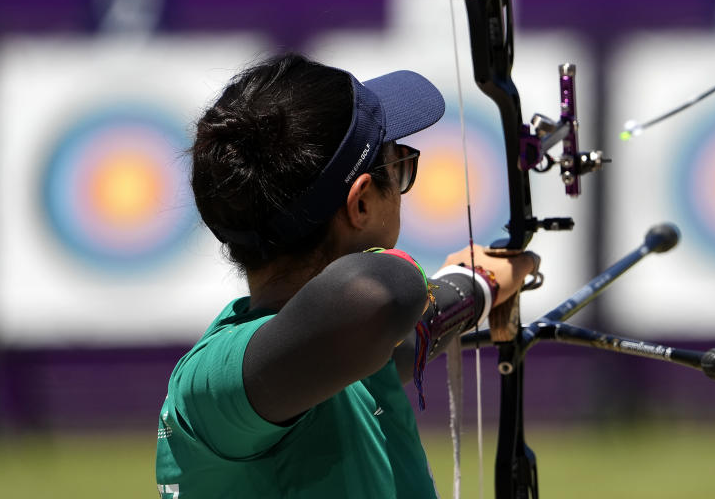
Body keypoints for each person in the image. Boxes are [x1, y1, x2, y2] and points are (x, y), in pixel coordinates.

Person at [155, 53, 536, 498]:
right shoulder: (212, 382)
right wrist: (437, 278)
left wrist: (475, 284)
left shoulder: (336, 353)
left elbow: (394, 340)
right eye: (401, 165)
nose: (404, 179)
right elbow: (379, 295)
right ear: (360, 204)